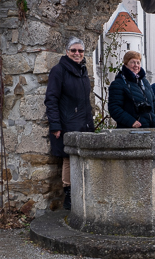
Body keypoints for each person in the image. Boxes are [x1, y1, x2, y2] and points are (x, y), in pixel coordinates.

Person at [44, 36, 94, 210]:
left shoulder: (82, 71)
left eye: (80, 50)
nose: (77, 53)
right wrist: (55, 125)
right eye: (73, 50)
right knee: (68, 159)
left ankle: (82, 193)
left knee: (83, 158)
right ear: (67, 52)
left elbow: (85, 101)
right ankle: (69, 196)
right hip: (67, 123)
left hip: (83, 123)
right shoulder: (59, 70)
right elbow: (51, 99)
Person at [108, 51, 155, 128]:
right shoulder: (118, 84)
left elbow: (154, 101)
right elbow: (114, 108)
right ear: (126, 64)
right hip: (132, 129)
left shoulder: (144, 82)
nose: (136, 65)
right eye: (133, 62)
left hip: (152, 127)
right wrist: (131, 122)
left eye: (138, 63)